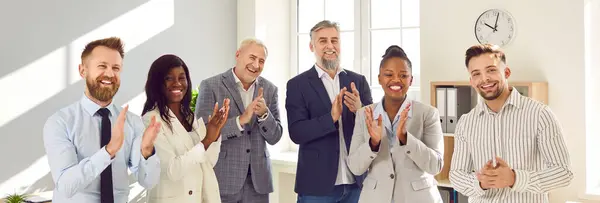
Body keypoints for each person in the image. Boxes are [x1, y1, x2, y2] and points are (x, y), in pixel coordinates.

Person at [42, 37, 161, 203]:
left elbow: (148, 181)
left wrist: (147, 151)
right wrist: (109, 150)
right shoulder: (60, 122)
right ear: (83, 71)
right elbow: (66, 185)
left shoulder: (132, 122)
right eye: (102, 66)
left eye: (116, 68)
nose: (110, 74)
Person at [449, 44, 573, 202]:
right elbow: (456, 175)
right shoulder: (466, 123)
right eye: (476, 74)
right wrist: (480, 183)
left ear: (506, 72)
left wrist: (515, 178)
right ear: (472, 81)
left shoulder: (540, 114)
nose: (484, 78)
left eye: (491, 70)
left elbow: (563, 173)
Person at [285, 20, 373, 203]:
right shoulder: (297, 85)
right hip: (316, 187)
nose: (330, 46)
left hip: (356, 183)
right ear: (312, 46)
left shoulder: (359, 81)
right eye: (323, 41)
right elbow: (297, 132)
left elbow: (373, 132)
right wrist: (331, 118)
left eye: (335, 40)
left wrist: (360, 110)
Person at [347, 45, 444, 203]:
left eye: (403, 75)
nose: (396, 80)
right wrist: (373, 143)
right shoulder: (364, 114)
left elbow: (436, 166)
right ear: (379, 78)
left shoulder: (428, 114)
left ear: (411, 80)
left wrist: (406, 139)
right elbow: (355, 167)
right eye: (388, 74)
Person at [194, 38, 283, 203]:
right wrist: (240, 121)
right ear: (238, 55)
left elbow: (276, 137)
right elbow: (202, 134)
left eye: (261, 61)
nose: (256, 65)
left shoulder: (270, 90)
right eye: (252, 58)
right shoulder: (211, 86)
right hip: (224, 181)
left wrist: (265, 115)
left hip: (259, 184)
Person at [141, 54, 230, 203]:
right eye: (169, 78)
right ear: (157, 83)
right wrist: (207, 140)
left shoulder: (190, 116)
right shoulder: (151, 120)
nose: (177, 83)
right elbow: (173, 171)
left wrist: (215, 133)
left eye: (182, 78)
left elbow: (208, 162)